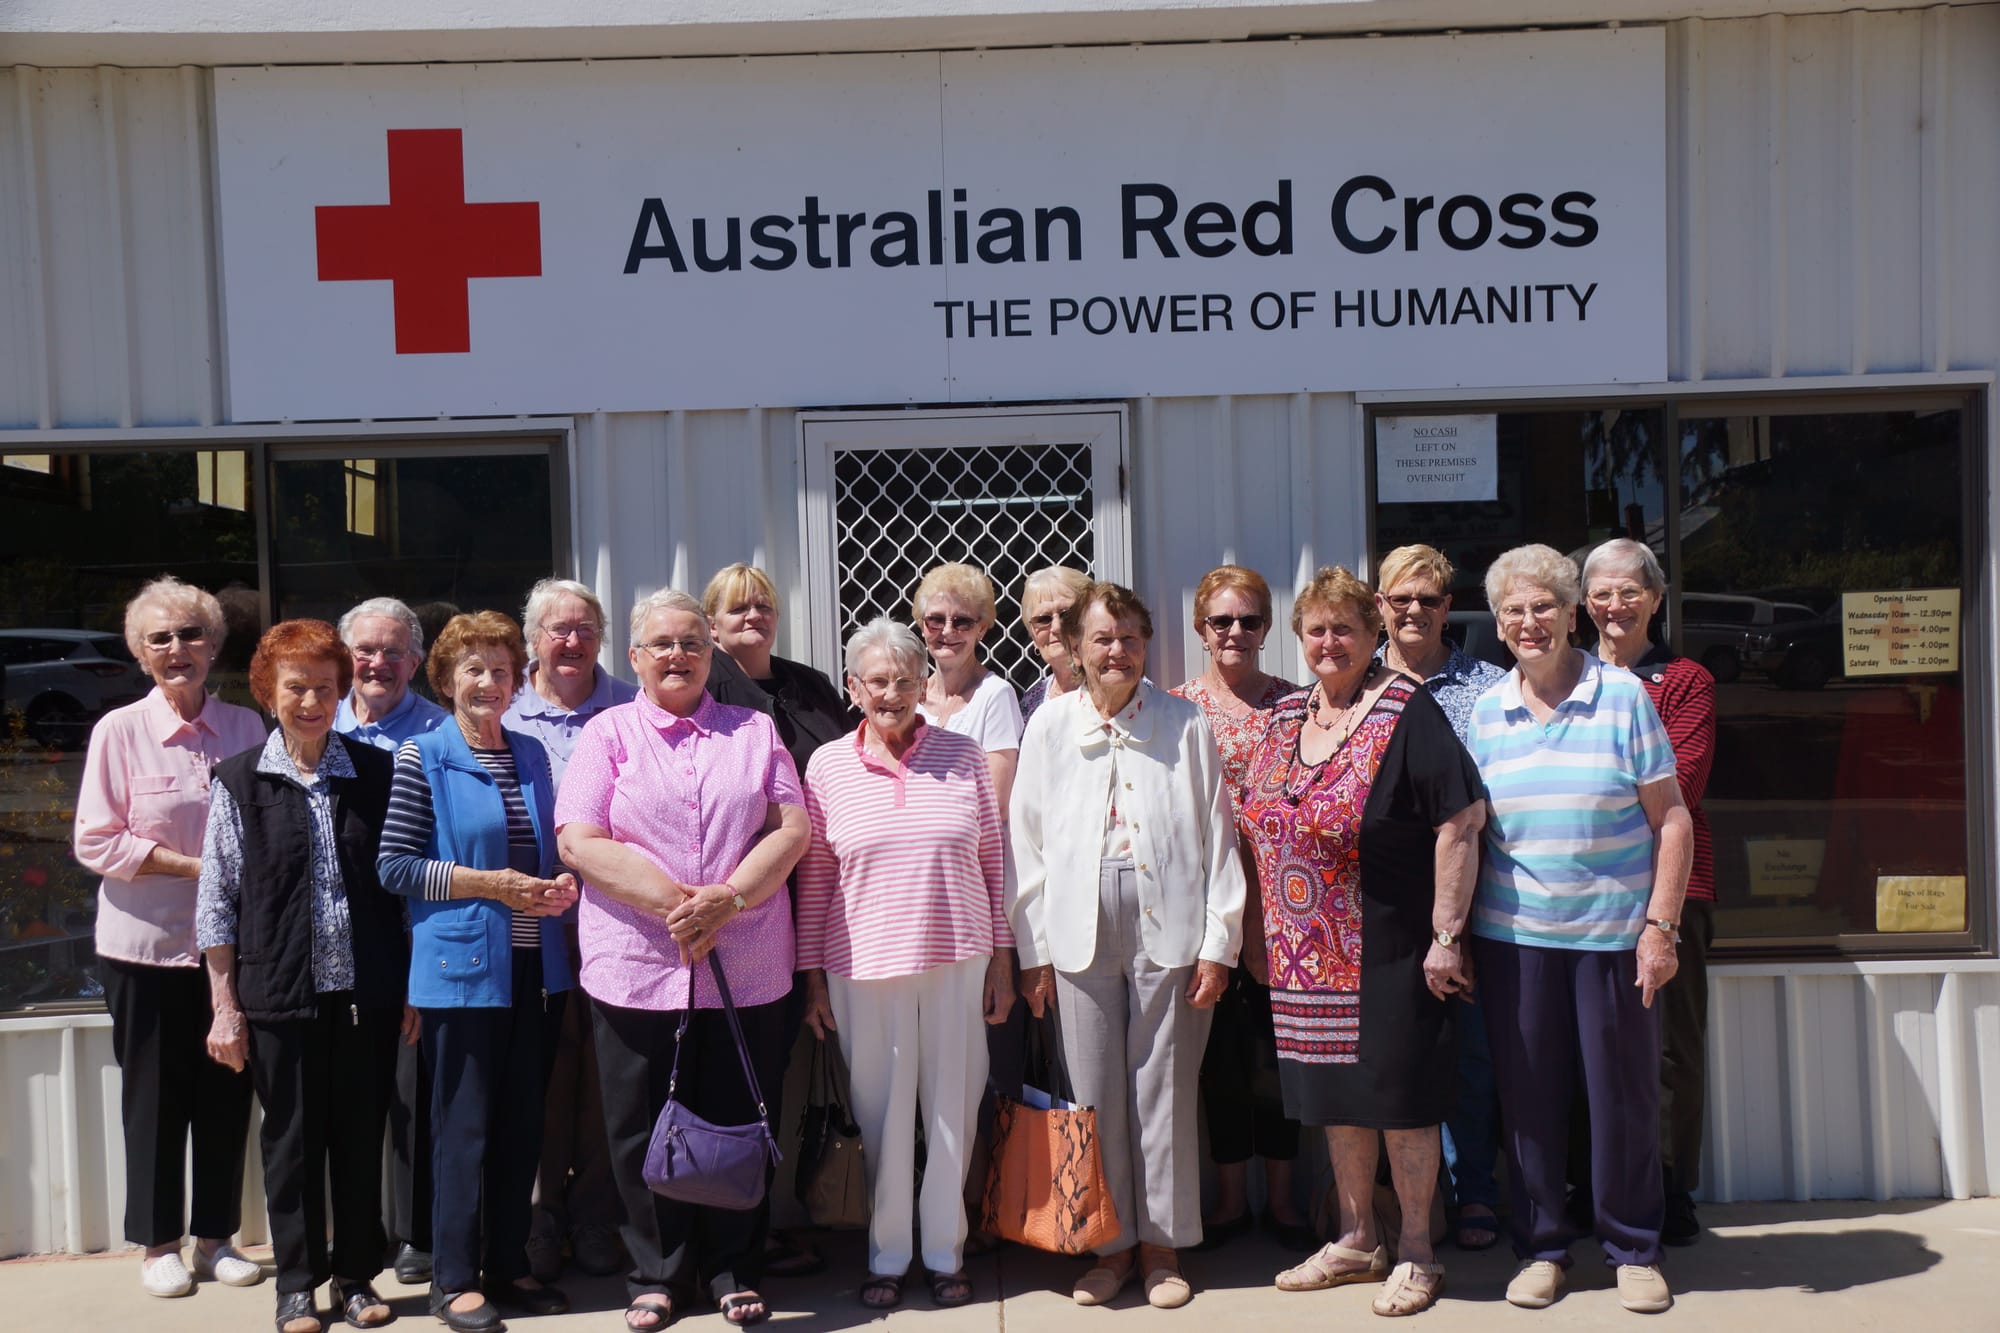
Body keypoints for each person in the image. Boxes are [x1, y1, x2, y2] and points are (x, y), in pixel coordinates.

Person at [1233, 566, 1486, 1318]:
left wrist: (1447, 935)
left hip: (1394, 947)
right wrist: (1255, 931)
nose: (1329, 641)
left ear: (1373, 634)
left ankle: (1415, 1248)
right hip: (1303, 955)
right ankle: (1354, 1237)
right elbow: (1255, 830)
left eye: (1345, 627)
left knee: (1402, 1099)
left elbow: (1460, 821)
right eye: (1316, 628)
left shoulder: (1408, 710)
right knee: (1338, 1098)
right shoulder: (1284, 719)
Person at [554, 589, 809, 1333]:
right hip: (637, 965)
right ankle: (657, 1272)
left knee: (735, 1118)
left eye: (692, 643)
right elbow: (579, 839)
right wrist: (679, 902)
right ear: (634, 658)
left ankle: (734, 1268)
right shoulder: (608, 734)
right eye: (661, 643)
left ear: (711, 654)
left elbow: (791, 829)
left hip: (748, 963)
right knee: (641, 1124)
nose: (677, 655)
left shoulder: (755, 731)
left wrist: (726, 899)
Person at [1464, 544, 1693, 1315]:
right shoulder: (1483, 713)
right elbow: (1465, 833)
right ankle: (1543, 1247)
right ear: (1498, 625)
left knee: (1621, 1097)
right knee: (1529, 1099)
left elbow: (1673, 820)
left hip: (1613, 938)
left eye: (1543, 607)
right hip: (1515, 939)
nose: (1530, 622)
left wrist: (1660, 926)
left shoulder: (1625, 697)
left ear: (1572, 614)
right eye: (1514, 611)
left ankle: (1632, 1246)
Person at [1010, 581, 1245, 1310]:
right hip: (1077, 931)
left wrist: (1219, 943)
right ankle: (1107, 1245)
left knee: (1164, 1090)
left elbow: (1216, 835)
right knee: (1096, 1093)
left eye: (1131, 638)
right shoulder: (1049, 726)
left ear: (1147, 645)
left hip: (1168, 927)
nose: (1117, 651)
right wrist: (1034, 951)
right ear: (1075, 648)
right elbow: (1027, 841)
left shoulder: (1183, 721)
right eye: (1103, 638)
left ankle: (1162, 1245)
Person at [795, 617, 1014, 1310]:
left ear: (925, 682)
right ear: (853, 686)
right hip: (863, 964)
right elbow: (817, 877)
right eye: (875, 680)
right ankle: (887, 1254)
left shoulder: (964, 753)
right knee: (884, 1117)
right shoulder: (827, 764)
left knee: (953, 1111)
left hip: (959, 957)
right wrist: (811, 978)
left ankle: (946, 1251)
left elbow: (994, 860)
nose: (890, 692)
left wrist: (1004, 961)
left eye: (903, 679)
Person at [196, 620, 409, 1333]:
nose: (312, 700)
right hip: (278, 997)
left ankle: (355, 1274)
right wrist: (224, 1007)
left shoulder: (376, 774)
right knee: (289, 1140)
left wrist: (406, 988)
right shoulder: (239, 780)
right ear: (268, 692)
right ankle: (295, 1282)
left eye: (325, 686)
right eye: (296, 687)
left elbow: (402, 889)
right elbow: (217, 900)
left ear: (342, 690)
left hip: (365, 996)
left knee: (357, 1134)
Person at [377, 612, 580, 1333]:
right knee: (462, 1127)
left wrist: (559, 886)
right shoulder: (420, 755)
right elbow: (395, 865)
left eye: (500, 668)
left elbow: (546, 854)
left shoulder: (530, 753)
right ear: (446, 678)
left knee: (521, 1122)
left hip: (538, 965)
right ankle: (453, 1277)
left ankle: (507, 1263)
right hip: (462, 971)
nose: (488, 682)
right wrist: (489, 883)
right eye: (473, 669)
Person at [72, 576, 263, 1299]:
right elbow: (97, 839)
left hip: (232, 949)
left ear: (214, 645)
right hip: (144, 949)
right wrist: (199, 864)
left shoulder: (248, 728)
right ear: (140, 652)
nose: (177, 648)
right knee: (153, 1099)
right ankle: (158, 1242)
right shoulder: (117, 731)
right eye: (161, 638)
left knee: (225, 1091)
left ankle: (215, 1237)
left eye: (190, 634)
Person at [703, 562, 851, 1280]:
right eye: (735, 608)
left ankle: (759, 1228)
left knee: (776, 1072)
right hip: (745, 914)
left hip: (824, 906)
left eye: (762, 603)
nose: (752, 616)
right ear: (710, 623)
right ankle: (733, 1241)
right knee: (739, 1079)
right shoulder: (705, 689)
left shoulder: (810, 684)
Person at [1371, 544, 1509, 1254]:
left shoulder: (1489, 687)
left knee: (1472, 1053)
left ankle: (1476, 1190)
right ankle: (1394, 1207)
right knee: (1395, 1056)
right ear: (1380, 606)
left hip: (1477, 895)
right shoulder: (1358, 689)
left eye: (1429, 599)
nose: (1415, 611)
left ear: (1449, 607)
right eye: (1401, 599)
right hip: (1386, 907)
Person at [1581, 539, 1717, 1248]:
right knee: (1588, 1042)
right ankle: (1591, 1182)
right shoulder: (1563, 679)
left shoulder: (1685, 680)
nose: (1614, 605)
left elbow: (1681, 785)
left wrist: (1589, 797)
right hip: (1582, 895)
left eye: (1630, 591)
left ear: (1656, 600)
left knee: (1670, 1049)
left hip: (1675, 891)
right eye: (1601, 592)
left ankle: (1671, 1185)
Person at [1170, 565, 1310, 1252]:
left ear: (1265, 628)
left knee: (1281, 1057)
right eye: (1221, 620)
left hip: (1289, 909)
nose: (1235, 632)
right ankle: (1228, 1199)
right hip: (1207, 910)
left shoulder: (1297, 705)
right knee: (1221, 1057)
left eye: (1249, 620)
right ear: (1201, 630)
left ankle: (1283, 1199)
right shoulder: (1175, 709)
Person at [505, 578, 638, 1284]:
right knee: (543, 1071)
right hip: (533, 923)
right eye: (557, 628)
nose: (572, 641)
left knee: (606, 1074)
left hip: (620, 921)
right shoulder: (506, 711)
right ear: (533, 638)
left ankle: (594, 1214)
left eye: (585, 628)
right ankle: (539, 1216)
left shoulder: (631, 704)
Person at [333, 595, 448, 1287]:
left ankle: (418, 1232)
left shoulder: (438, 731)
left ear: (415, 659)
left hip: (412, 931)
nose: (379, 663)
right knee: (348, 1092)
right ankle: (354, 1233)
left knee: (414, 1089)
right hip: (337, 941)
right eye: (366, 650)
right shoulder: (315, 722)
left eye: (394, 650)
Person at [914, 562, 1023, 813]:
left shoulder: (995, 695)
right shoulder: (910, 697)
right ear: (922, 626)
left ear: (981, 629)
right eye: (936, 620)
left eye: (962, 622)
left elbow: (996, 803)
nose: (948, 631)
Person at [1018, 566, 1092, 723]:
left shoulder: (1118, 686)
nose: (1057, 627)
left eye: (1067, 614)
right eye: (1043, 619)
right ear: (1033, 636)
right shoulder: (1031, 702)